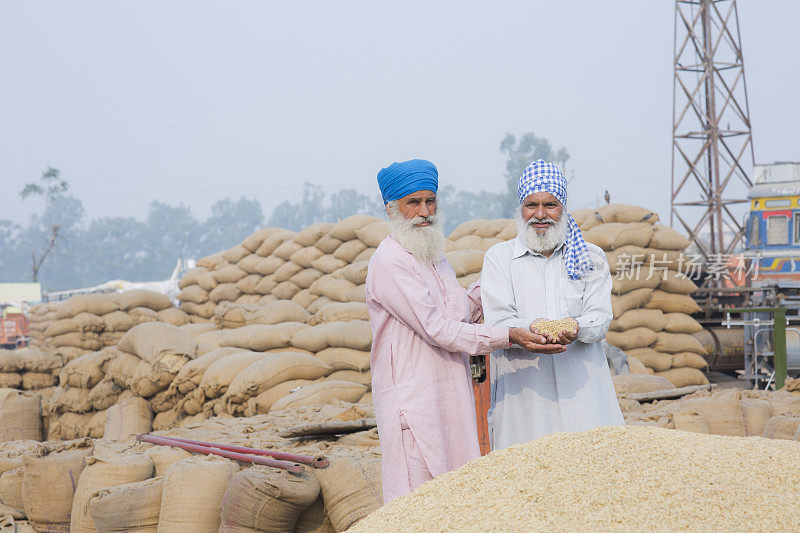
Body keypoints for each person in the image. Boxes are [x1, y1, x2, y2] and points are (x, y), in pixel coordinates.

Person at [366, 158, 561, 503]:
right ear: (392, 209)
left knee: (456, 497)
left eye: (431, 200)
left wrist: (502, 275)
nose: (425, 211)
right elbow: (438, 329)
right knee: (419, 503)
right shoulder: (390, 261)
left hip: (451, 396)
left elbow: (462, 310)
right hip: (414, 404)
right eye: (413, 202)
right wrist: (509, 335)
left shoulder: (434, 257)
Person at [481, 159, 624, 451]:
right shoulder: (498, 258)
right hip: (524, 394)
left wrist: (577, 326)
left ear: (564, 207)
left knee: (590, 469)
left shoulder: (591, 257)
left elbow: (600, 318)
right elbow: (497, 320)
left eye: (550, 205)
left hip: (582, 391)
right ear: (520, 209)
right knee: (524, 474)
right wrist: (528, 330)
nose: (540, 215)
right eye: (531, 205)